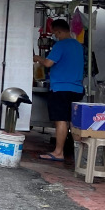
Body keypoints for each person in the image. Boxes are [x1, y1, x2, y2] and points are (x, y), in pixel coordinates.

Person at [33, 18, 85, 161]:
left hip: (61, 88)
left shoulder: (60, 45)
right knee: (73, 121)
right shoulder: (78, 46)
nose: (55, 36)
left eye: (55, 33)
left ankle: (58, 152)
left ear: (59, 31)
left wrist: (38, 58)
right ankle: (78, 154)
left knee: (61, 120)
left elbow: (49, 63)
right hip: (77, 89)